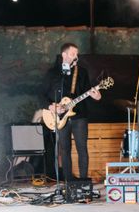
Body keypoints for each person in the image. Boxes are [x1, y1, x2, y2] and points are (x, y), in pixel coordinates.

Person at [43, 42, 101, 182]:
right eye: (72, 54)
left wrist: (96, 96)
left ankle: (83, 182)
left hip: (79, 116)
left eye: (76, 54)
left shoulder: (81, 72)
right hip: (59, 117)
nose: (76, 56)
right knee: (64, 150)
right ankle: (68, 182)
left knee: (82, 149)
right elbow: (42, 94)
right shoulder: (52, 73)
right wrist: (50, 106)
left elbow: (88, 91)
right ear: (64, 55)